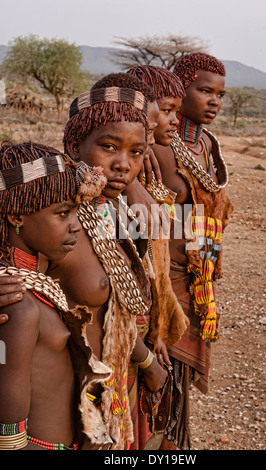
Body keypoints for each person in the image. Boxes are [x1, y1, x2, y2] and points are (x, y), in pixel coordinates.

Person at [0, 73, 185, 450]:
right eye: (108, 146)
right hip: (71, 411)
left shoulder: (111, 210)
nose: (123, 164)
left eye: (136, 152)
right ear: (73, 144)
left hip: (119, 385)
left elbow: (119, 302)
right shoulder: (52, 219)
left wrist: (148, 357)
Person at [127, 60, 233, 450]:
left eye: (220, 94)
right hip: (159, 279)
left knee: (177, 389)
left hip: (194, 278)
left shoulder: (205, 147)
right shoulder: (147, 148)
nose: (214, 102)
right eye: (205, 91)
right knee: (151, 382)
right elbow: (141, 221)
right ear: (181, 87)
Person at [0, 141, 84, 450]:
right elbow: (9, 440)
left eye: (75, 211)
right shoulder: (17, 307)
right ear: (17, 217)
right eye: (62, 214)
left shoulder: (33, 280)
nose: (76, 226)